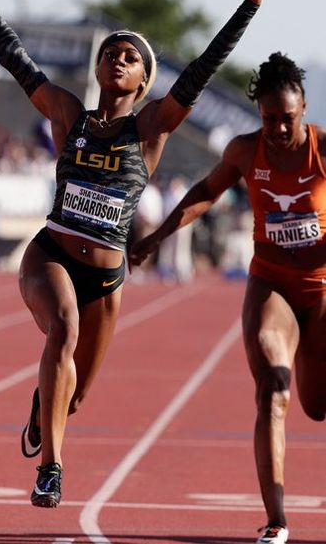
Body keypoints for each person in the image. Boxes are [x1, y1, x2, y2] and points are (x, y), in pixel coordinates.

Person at [0, 0, 267, 509]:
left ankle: (46, 411)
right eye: (111, 55)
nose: (119, 60)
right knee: (62, 330)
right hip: (52, 254)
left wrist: (247, 7)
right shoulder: (66, 114)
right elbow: (16, 61)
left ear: (143, 81)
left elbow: (197, 72)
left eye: (131, 58)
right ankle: (51, 471)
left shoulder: (148, 131)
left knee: (72, 398)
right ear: (99, 71)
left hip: (109, 279)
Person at [129, 53, 326, 544]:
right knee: (272, 392)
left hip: (322, 289)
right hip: (272, 285)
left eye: (287, 119)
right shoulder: (245, 151)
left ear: (303, 109)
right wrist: (157, 238)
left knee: (317, 405)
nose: (278, 129)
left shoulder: (324, 148)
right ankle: (277, 520)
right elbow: (205, 192)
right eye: (268, 119)